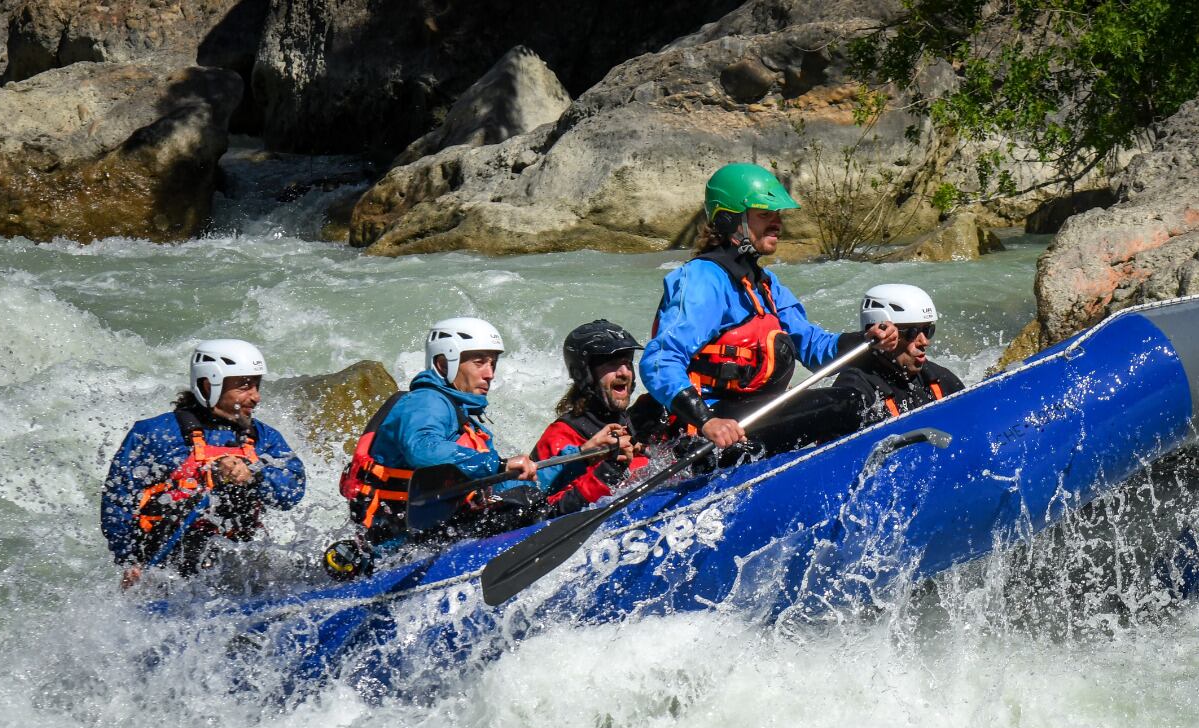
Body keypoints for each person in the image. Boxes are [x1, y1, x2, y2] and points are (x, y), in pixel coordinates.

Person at [636, 161, 900, 457]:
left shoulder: (765, 285)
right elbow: (660, 360)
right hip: (709, 428)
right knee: (845, 403)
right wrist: (707, 422)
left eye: (777, 214)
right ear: (729, 221)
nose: (777, 223)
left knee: (865, 391)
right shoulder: (703, 279)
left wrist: (867, 340)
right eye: (764, 215)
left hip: (752, 415)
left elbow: (812, 346)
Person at [102, 339, 306, 589]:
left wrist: (256, 477)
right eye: (244, 386)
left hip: (235, 568)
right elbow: (117, 501)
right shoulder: (154, 434)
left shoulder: (265, 437)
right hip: (164, 569)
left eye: (257, 385)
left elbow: (293, 492)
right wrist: (129, 560)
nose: (256, 397)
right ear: (210, 384)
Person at [339, 316, 541, 554]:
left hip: (435, 529)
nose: (490, 374)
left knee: (526, 497)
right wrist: (499, 464)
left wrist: (580, 454)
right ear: (444, 363)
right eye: (480, 363)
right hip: (398, 539)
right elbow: (422, 448)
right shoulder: (427, 401)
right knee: (525, 503)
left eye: (493, 364)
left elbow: (494, 483)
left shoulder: (463, 415)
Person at [532, 320, 646, 511]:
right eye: (612, 364)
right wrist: (607, 474)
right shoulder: (561, 435)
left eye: (627, 363)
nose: (624, 372)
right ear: (585, 374)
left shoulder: (628, 420)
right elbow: (546, 512)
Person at [833, 283, 965, 425]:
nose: (925, 341)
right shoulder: (854, 391)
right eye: (911, 333)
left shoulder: (939, 378)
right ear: (879, 334)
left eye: (927, 330)